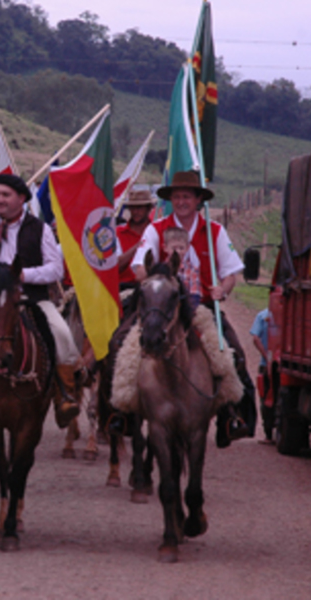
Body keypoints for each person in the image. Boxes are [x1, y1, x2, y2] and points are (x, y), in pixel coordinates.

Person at [130, 169, 257, 447]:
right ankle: (123, 410)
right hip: (161, 309)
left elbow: (231, 273)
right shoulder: (156, 228)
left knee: (232, 355)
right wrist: (152, 277)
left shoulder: (214, 230)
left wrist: (222, 289)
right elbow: (139, 266)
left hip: (202, 308)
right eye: (176, 196)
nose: (181, 201)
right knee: (124, 349)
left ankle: (230, 416)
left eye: (187, 196)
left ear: (199, 199)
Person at [0, 173, 81, 427]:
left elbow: (56, 270)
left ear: (21, 198)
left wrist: (23, 275)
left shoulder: (40, 228)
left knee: (62, 334)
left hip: (30, 299)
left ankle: (64, 396)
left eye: (5, 195)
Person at [116, 186, 155, 289]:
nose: (135, 211)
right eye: (133, 208)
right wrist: (138, 246)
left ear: (149, 208)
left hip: (150, 287)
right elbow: (115, 267)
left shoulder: (156, 231)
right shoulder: (118, 232)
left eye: (140, 207)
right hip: (124, 287)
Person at [250, 307, 274, 441]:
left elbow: (255, 338)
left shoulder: (262, 315)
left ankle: (268, 433)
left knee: (265, 397)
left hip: (265, 364)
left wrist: (266, 357)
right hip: (283, 362)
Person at [162, 226, 202, 308]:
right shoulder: (160, 270)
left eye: (181, 248)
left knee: (203, 316)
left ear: (187, 248)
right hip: (163, 309)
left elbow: (195, 295)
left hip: (185, 308)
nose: (178, 251)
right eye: (174, 248)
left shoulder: (192, 270)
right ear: (165, 248)